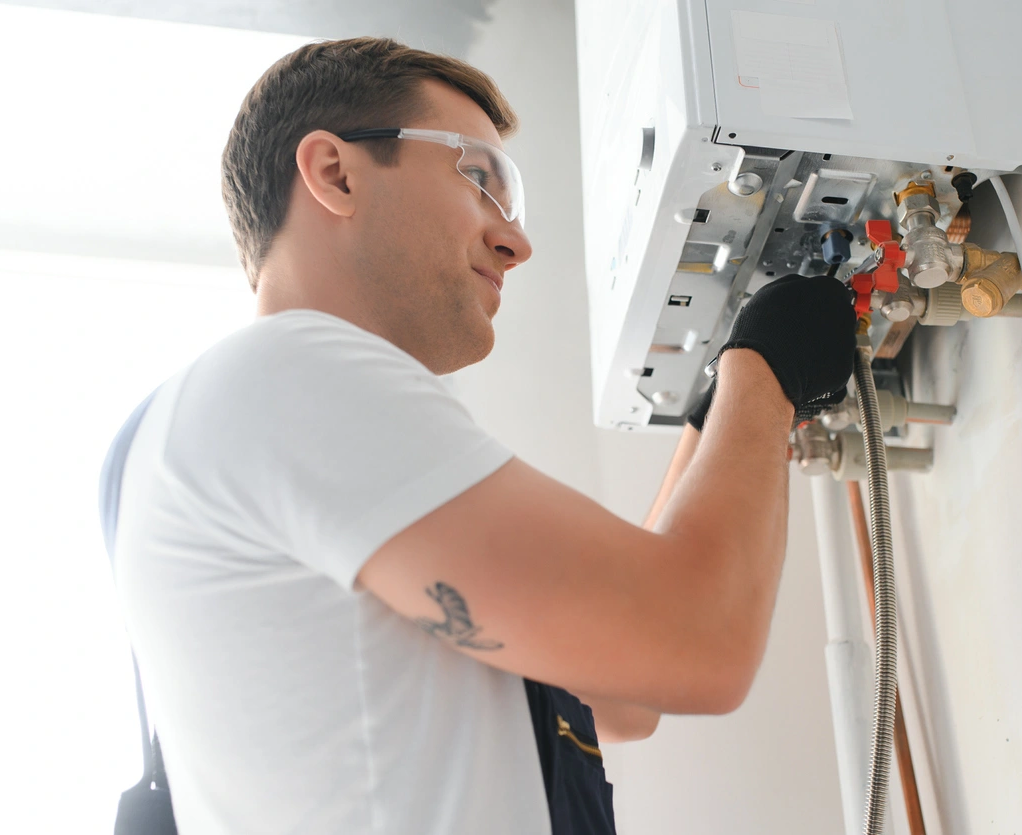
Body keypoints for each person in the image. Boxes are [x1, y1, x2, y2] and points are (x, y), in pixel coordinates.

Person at [107, 35, 854, 835]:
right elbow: (700, 641)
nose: (516, 240)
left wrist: (718, 413)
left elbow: (628, 690)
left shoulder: (229, 420)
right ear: (334, 172)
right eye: (477, 178)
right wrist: (761, 373)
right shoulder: (288, 370)